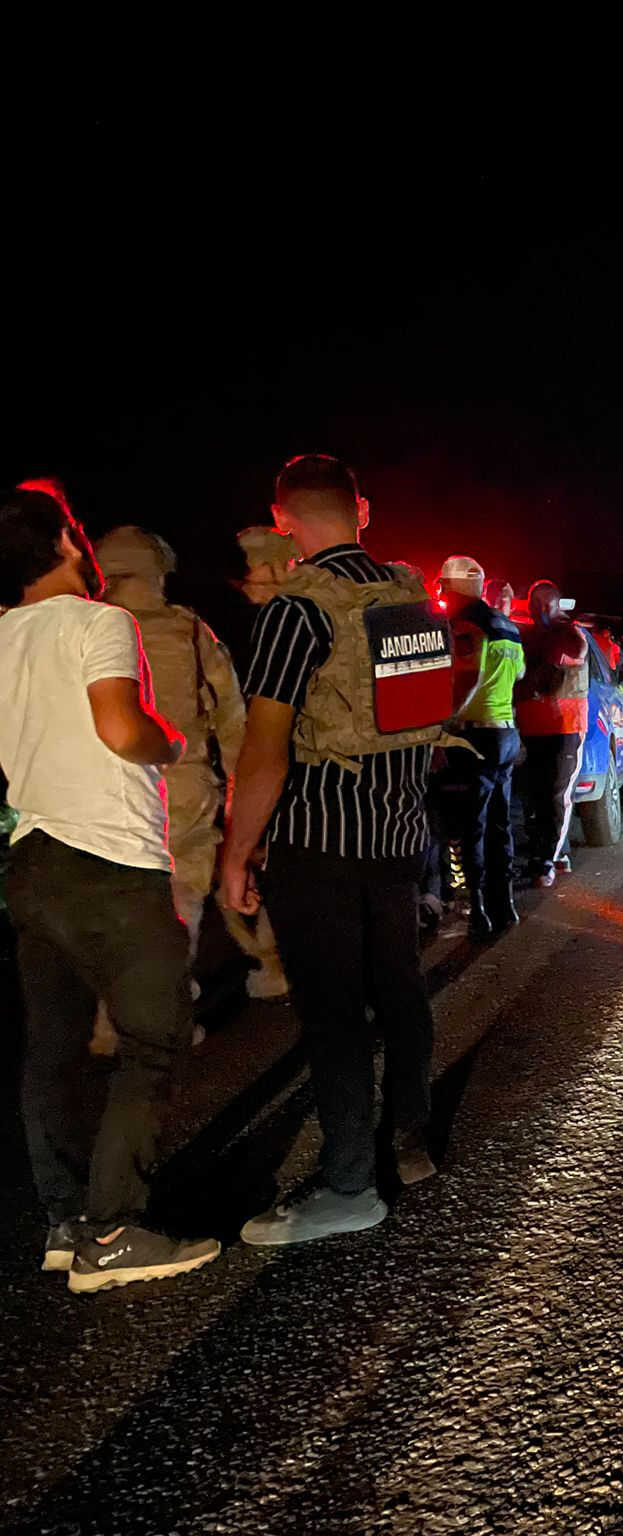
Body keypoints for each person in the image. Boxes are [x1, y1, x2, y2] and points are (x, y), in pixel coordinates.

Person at [221, 454, 451, 1245]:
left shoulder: (296, 611)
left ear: (282, 519)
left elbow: (266, 747)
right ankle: (411, 1135)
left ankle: (349, 1183)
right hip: (397, 834)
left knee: (332, 1017)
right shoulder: (409, 599)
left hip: (318, 841)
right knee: (399, 988)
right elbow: (419, 728)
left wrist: (235, 851)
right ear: (363, 509)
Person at [0, 484, 220, 1292]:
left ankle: (64, 1218)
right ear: (64, 542)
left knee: (51, 1048)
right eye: (78, 531)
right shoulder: (102, 622)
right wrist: (166, 743)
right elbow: (120, 727)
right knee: (154, 1037)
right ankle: (116, 1230)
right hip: (109, 861)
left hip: (32, 859)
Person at [98, 527, 290, 1007]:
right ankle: (168, 1009)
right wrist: (241, 801)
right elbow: (231, 720)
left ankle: (110, 1020)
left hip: (105, 795)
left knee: (118, 911)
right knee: (181, 907)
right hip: (182, 794)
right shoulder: (187, 628)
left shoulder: (86, 630)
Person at [437, 556, 526, 941]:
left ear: (453, 589)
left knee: (470, 827)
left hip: (475, 737)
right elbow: (519, 674)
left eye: (442, 587)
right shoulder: (507, 627)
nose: (440, 594)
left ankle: (477, 911)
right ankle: (504, 905)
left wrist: (442, 723)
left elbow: (468, 678)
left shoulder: (468, 625)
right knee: (501, 823)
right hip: (506, 733)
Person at [514, 579, 589, 887]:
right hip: (532, 726)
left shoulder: (570, 635)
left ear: (557, 604)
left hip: (565, 728)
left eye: (546, 603)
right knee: (536, 796)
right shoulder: (528, 636)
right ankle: (550, 855)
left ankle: (547, 859)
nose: (540, 609)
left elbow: (569, 657)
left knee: (556, 795)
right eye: (535, 604)